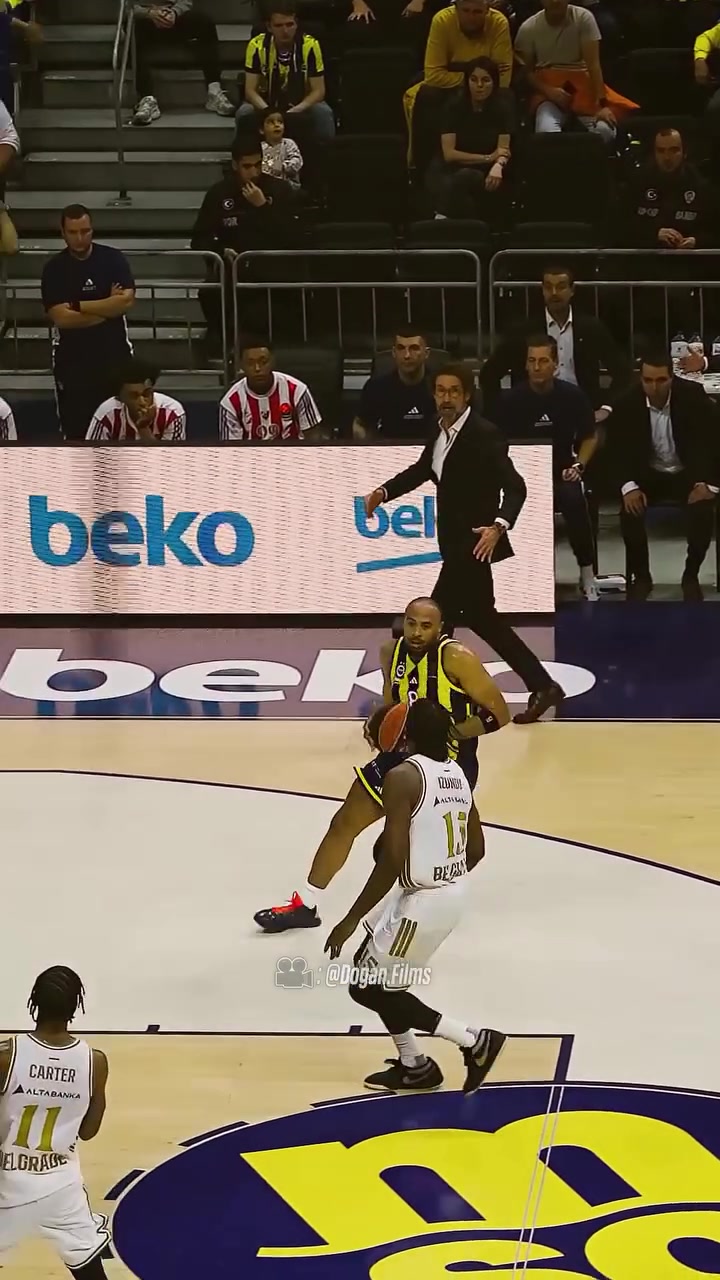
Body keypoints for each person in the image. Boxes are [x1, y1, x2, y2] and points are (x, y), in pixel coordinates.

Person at [254, 595, 510, 933]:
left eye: (426, 626)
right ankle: (306, 905)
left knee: (417, 850)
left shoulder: (457, 658)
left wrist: (448, 732)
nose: (416, 632)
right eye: (411, 624)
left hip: (447, 762)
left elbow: (499, 714)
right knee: (344, 822)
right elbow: (393, 704)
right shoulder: (391, 653)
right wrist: (379, 722)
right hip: (401, 754)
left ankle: (412, 906)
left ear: (440, 629)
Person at [325, 699, 507, 1094]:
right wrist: (442, 872)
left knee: (366, 987)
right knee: (375, 974)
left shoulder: (403, 777)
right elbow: (476, 850)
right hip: (440, 891)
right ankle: (415, 1065)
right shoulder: (457, 774)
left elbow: (392, 860)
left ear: (404, 734)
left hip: (424, 900)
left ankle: (474, 1040)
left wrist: (350, 919)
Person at [367, 364, 565, 722]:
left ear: (467, 395)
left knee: (428, 620)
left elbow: (516, 487)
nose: (446, 398)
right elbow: (423, 469)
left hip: (473, 546)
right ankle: (542, 685)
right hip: (451, 541)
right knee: (483, 619)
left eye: (453, 391)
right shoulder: (437, 428)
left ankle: (414, 702)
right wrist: (384, 492)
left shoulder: (484, 434)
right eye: (441, 391)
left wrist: (498, 527)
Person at [0, 966, 110, 1277]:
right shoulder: (95, 1062)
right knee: (90, 1271)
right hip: (61, 1187)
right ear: (76, 1006)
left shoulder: (6, 1054)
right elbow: (88, 1131)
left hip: (7, 1182)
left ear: (33, 1001)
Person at [608, 348, 720, 602]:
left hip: (688, 473)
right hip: (648, 475)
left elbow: (715, 441)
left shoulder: (693, 396)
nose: (654, 387)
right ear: (641, 378)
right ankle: (642, 578)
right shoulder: (626, 402)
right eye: (648, 380)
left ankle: (690, 576)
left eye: (661, 380)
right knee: (630, 512)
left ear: (672, 378)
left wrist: (710, 485)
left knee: (703, 512)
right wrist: (628, 486)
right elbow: (615, 451)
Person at [493, 335, 599, 600]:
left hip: (561, 472)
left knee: (574, 499)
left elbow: (590, 436)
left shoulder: (573, 396)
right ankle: (515, 578)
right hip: (521, 475)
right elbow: (497, 442)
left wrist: (579, 465)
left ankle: (587, 573)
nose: (536, 367)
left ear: (555, 364)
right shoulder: (510, 400)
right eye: (531, 361)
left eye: (542, 361)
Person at [480, 263, 632, 423]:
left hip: (582, 409)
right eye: (548, 287)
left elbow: (623, 372)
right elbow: (489, 374)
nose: (554, 293)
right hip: (532, 411)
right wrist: (501, 410)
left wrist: (606, 407)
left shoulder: (592, 328)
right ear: (542, 290)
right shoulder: (523, 331)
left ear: (572, 290)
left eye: (560, 287)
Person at [190, 134, 300, 352]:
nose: (254, 172)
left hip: (272, 270)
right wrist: (220, 250)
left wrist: (263, 207)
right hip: (232, 270)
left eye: (258, 165)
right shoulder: (218, 194)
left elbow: (292, 236)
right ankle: (222, 344)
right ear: (234, 165)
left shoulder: (280, 190)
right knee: (210, 293)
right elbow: (199, 238)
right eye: (247, 166)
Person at [41, 205, 135, 442]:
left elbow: (125, 302)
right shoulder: (54, 269)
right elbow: (62, 318)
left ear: (93, 229)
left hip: (115, 359)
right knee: (77, 434)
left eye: (85, 231)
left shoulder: (113, 259)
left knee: (121, 430)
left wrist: (77, 305)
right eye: (73, 232)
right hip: (73, 365)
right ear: (63, 233)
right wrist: (107, 308)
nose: (80, 238)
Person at [514, 0, 619, 144]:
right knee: (546, 132)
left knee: (605, 131)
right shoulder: (528, 28)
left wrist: (603, 105)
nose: (555, 1)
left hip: (584, 87)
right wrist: (549, 91)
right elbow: (526, 72)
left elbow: (594, 65)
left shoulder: (583, 18)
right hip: (549, 92)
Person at [404, 0, 513, 134]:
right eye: (465, 11)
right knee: (428, 94)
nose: (471, 17)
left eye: (477, 12)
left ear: (487, 11)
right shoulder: (442, 20)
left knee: (505, 96)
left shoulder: (499, 23)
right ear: (455, 8)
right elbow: (433, 75)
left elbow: (503, 77)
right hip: (454, 88)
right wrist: (474, 78)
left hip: (485, 90)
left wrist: (458, 70)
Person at [426, 56, 513, 222]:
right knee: (456, 182)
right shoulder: (454, 107)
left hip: (484, 169)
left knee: (467, 178)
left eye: (485, 80)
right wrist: (488, 157)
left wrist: (498, 165)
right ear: (467, 82)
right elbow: (449, 154)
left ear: (494, 83)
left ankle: (442, 221)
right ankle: (445, 221)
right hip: (449, 168)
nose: (479, 85)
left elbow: (503, 150)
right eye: (474, 80)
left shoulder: (503, 108)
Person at [236, 0, 335, 142]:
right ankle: (245, 153)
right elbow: (250, 91)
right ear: (269, 27)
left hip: (301, 101)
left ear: (296, 25)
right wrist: (269, 111)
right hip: (266, 102)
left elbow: (318, 91)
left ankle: (326, 152)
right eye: (279, 25)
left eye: (289, 25)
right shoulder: (257, 45)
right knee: (244, 112)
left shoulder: (310, 46)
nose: (285, 31)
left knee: (323, 112)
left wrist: (295, 110)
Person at [130, 0, 234, 126]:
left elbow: (186, 1)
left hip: (174, 16)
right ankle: (146, 98)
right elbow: (124, 8)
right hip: (144, 20)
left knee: (204, 22)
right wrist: (148, 13)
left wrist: (174, 12)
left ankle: (214, 89)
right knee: (132, 28)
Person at [624, 127, 714, 251]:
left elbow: (715, 231)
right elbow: (620, 227)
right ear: (654, 153)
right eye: (661, 151)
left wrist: (697, 241)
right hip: (647, 258)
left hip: (690, 259)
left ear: (684, 152)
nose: (667, 157)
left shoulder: (701, 185)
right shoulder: (637, 183)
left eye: (674, 150)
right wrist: (654, 234)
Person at [219, 337, 323, 439]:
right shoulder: (230, 403)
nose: (257, 368)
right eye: (250, 363)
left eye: (263, 362)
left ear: (273, 362)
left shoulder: (297, 390)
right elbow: (231, 447)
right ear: (241, 366)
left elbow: (313, 438)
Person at [353, 326, 437, 440]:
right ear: (394, 352)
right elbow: (360, 424)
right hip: (389, 449)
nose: (407, 355)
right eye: (401, 348)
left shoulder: (441, 387)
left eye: (414, 348)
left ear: (426, 353)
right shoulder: (376, 387)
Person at [86, 357, 186, 442]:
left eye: (146, 394)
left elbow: (170, 458)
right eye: (134, 396)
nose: (142, 402)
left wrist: (143, 428)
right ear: (121, 398)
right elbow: (93, 455)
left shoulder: (172, 413)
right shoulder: (107, 414)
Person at [260, 107, 303, 185]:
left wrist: (282, 166)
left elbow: (297, 161)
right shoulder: (260, 147)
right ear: (261, 130)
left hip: (289, 184)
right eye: (271, 122)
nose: (277, 125)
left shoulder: (289, 143)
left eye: (280, 122)